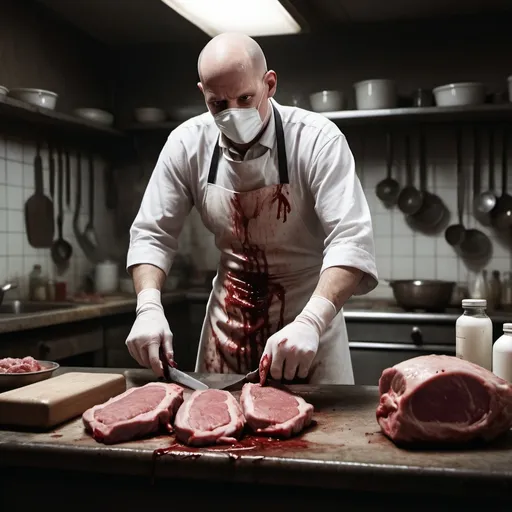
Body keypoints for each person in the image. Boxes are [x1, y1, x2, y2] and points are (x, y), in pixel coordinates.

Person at [125, 32, 378, 385]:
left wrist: (311, 322)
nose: (233, 113)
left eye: (245, 98)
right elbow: (153, 234)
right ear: (203, 94)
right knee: (216, 429)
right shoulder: (187, 143)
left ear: (269, 84)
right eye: (218, 104)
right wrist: (149, 306)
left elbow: (351, 240)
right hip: (227, 330)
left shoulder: (317, 139)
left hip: (308, 324)